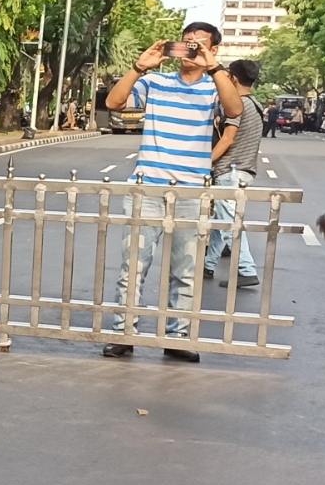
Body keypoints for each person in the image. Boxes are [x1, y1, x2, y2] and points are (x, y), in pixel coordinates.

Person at [99, 23, 241, 363]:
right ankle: (124, 332)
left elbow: (234, 110)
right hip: (148, 183)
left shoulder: (215, 86)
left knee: (186, 269)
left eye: (200, 44)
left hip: (192, 188)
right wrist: (139, 66)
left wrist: (214, 67)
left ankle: (177, 337)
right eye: (186, 42)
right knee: (133, 265)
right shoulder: (156, 82)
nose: (190, 50)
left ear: (214, 49)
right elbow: (114, 102)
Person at [204, 59, 265, 288]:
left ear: (233, 79)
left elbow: (228, 139)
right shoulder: (255, 103)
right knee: (222, 219)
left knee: (230, 222)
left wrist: (205, 162)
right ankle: (208, 265)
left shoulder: (236, 104)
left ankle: (246, 269)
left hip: (231, 169)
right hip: (243, 170)